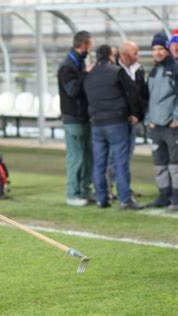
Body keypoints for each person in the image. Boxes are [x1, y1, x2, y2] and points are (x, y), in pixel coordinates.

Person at [83, 44, 143, 210]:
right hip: (117, 122)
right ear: (111, 55)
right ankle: (125, 200)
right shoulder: (117, 71)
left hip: (96, 123)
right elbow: (132, 93)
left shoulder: (89, 74)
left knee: (99, 163)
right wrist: (135, 113)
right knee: (120, 162)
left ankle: (102, 199)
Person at [57, 31, 94, 207]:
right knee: (76, 157)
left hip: (84, 117)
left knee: (87, 157)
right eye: (89, 46)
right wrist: (86, 74)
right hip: (73, 118)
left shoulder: (77, 63)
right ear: (84, 45)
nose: (90, 50)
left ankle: (85, 190)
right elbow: (73, 90)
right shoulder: (67, 66)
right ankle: (72, 194)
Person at [107, 41, 148, 199]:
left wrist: (139, 114)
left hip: (133, 120)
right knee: (113, 157)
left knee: (126, 156)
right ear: (124, 55)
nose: (138, 56)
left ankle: (124, 188)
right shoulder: (114, 71)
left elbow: (141, 94)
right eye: (135, 53)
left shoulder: (139, 69)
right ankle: (108, 188)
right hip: (118, 121)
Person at [145, 32, 178, 211]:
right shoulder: (154, 71)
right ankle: (163, 196)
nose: (157, 52)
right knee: (159, 164)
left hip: (172, 127)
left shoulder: (175, 69)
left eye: (160, 49)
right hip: (155, 126)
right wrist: (148, 119)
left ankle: (176, 198)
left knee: (175, 165)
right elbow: (148, 98)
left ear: (167, 49)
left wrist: (176, 118)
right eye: (154, 49)